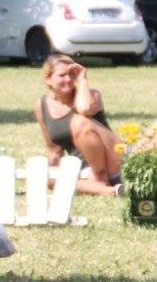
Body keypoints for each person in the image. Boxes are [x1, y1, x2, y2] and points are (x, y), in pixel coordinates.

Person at [33, 54, 124, 196]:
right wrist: (51, 171)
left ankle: (100, 181)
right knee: (47, 177)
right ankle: (110, 191)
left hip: (113, 161)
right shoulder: (41, 106)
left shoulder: (92, 95)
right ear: (48, 79)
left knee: (79, 122)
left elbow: (85, 109)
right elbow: (53, 148)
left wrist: (82, 79)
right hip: (83, 168)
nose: (68, 79)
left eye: (71, 74)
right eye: (62, 75)